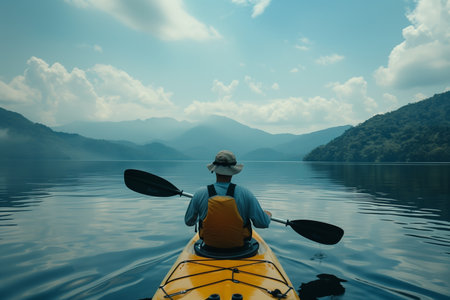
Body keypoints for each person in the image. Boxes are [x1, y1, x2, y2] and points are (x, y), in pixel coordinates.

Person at [185, 150, 272, 249]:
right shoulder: (246, 194)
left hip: (208, 248)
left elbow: (189, 222)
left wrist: (201, 214)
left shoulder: (199, 194)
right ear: (233, 172)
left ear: (214, 170)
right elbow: (262, 223)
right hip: (240, 249)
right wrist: (267, 216)